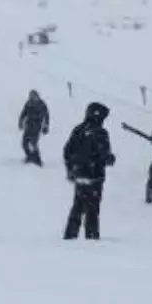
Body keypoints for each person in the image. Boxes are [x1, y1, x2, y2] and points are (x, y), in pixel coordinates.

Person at [63, 102, 116, 240]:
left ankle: (70, 235)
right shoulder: (101, 133)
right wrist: (109, 159)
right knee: (92, 209)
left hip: (80, 175)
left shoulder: (79, 130)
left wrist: (71, 168)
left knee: (78, 206)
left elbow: (67, 151)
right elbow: (104, 154)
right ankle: (91, 237)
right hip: (94, 177)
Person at [18, 90, 50, 166]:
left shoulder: (42, 104)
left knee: (33, 142)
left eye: (34, 96)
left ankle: (37, 159)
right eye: (31, 96)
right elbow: (23, 113)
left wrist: (46, 126)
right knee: (24, 142)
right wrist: (20, 122)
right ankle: (29, 156)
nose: (32, 97)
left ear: (37, 96)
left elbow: (47, 116)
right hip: (29, 125)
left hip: (37, 125)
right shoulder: (28, 103)